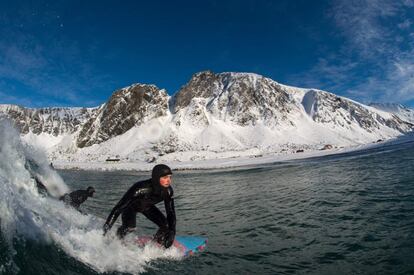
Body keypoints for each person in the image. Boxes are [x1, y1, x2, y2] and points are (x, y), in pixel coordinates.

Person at [103, 164, 176, 248]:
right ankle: (116, 240)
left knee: (166, 226)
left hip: (147, 207)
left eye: (170, 177)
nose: (169, 181)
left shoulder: (168, 191)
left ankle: (157, 244)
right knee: (129, 228)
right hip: (131, 207)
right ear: (156, 178)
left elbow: (171, 213)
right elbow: (118, 208)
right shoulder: (140, 189)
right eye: (165, 177)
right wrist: (106, 229)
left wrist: (172, 232)